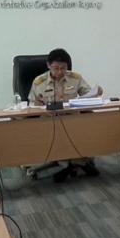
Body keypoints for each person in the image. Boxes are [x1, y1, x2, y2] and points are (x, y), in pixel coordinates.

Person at [27, 48, 99, 180]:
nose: (60, 72)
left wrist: (95, 93)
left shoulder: (75, 78)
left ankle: (75, 159)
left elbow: (89, 95)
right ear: (48, 65)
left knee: (90, 117)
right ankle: (74, 161)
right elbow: (32, 107)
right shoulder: (39, 82)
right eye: (56, 68)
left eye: (63, 68)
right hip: (49, 121)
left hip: (73, 120)